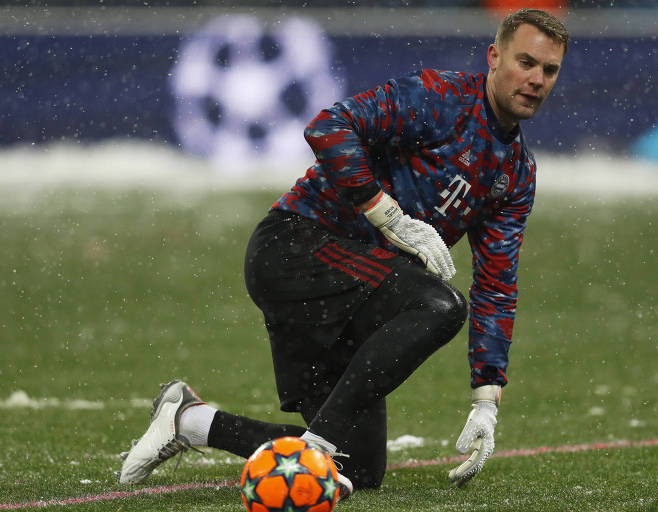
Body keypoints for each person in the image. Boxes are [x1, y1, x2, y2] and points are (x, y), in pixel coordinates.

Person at [118, 8, 568, 495]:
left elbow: (497, 287)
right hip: (294, 247)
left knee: (359, 470)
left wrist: (486, 399)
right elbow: (329, 127)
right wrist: (389, 216)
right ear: (494, 57)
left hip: (354, 294)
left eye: (549, 70)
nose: (536, 80)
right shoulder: (441, 98)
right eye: (526, 63)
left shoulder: (517, 173)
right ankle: (318, 445)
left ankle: (190, 421)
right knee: (439, 305)